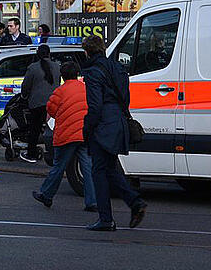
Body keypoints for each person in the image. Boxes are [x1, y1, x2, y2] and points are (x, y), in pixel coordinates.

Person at [81, 35, 147, 231]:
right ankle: (134, 203)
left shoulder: (93, 72)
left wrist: (88, 128)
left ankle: (106, 219)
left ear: (87, 52)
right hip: (118, 121)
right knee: (109, 168)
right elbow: (125, 98)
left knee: (99, 172)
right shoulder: (117, 68)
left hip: (103, 125)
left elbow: (95, 106)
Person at [32, 61, 97, 211]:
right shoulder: (86, 88)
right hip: (85, 133)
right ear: (77, 74)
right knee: (87, 167)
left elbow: (51, 110)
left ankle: (46, 194)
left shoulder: (59, 91)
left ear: (62, 76)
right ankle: (92, 201)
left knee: (59, 167)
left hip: (66, 134)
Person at [20, 44, 61, 163]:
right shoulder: (57, 67)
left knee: (34, 129)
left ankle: (31, 153)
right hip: (54, 102)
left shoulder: (33, 68)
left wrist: (24, 96)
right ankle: (56, 153)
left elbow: (26, 86)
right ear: (49, 53)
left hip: (37, 104)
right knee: (54, 129)